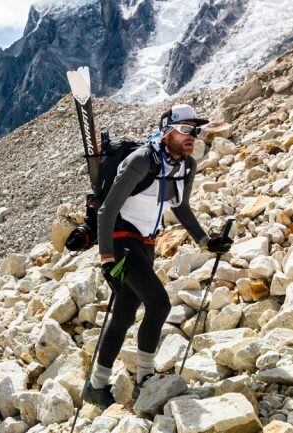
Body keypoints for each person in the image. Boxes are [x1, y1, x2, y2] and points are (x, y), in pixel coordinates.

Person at [83, 104, 233, 406]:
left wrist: (206, 241)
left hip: (146, 244)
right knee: (159, 302)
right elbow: (107, 209)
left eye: (196, 130)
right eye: (186, 129)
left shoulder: (186, 165)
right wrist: (106, 259)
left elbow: (180, 206)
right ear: (168, 132)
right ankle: (144, 378)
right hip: (122, 239)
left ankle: (96, 385)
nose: (193, 135)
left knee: (124, 313)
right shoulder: (141, 161)